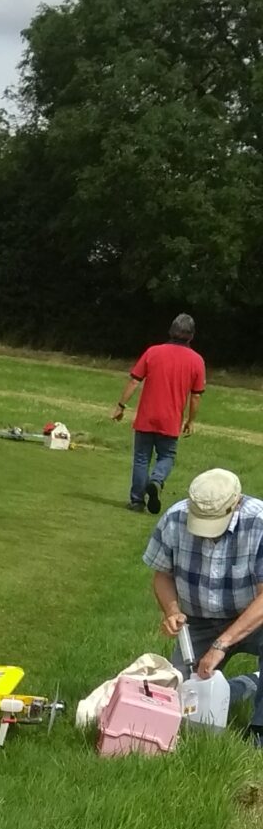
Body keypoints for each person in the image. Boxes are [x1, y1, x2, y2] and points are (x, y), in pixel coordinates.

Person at [143, 467, 263, 731]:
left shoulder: (259, 523)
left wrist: (221, 644)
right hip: (198, 620)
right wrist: (172, 611)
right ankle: (246, 685)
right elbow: (162, 575)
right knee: (180, 700)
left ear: (236, 503)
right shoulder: (174, 518)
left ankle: (259, 729)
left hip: (253, 619)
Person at [112, 313, 205, 512]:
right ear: (191, 336)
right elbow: (196, 396)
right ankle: (157, 480)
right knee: (167, 456)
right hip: (171, 419)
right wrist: (190, 420)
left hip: (146, 416)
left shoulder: (153, 352)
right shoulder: (197, 361)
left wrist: (121, 406)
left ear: (171, 331)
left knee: (141, 458)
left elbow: (134, 381)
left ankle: (137, 501)